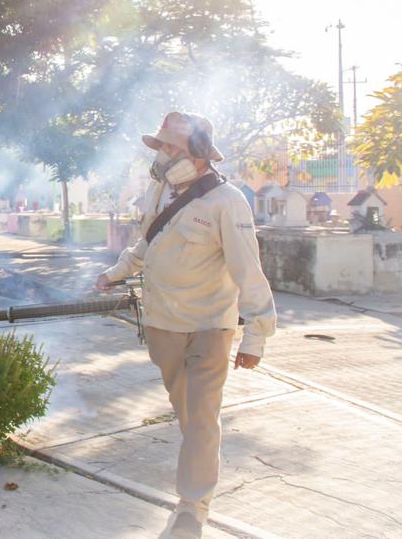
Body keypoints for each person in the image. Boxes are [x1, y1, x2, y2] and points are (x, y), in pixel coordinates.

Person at [95, 112, 276, 539]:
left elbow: (248, 271)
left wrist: (256, 336)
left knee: (200, 419)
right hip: (163, 327)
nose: (161, 155)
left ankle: (192, 508)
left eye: (171, 148)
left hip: (209, 328)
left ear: (196, 154)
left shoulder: (226, 201)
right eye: (160, 147)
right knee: (188, 414)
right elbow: (147, 242)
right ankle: (195, 489)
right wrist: (116, 272)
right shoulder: (160, 191)